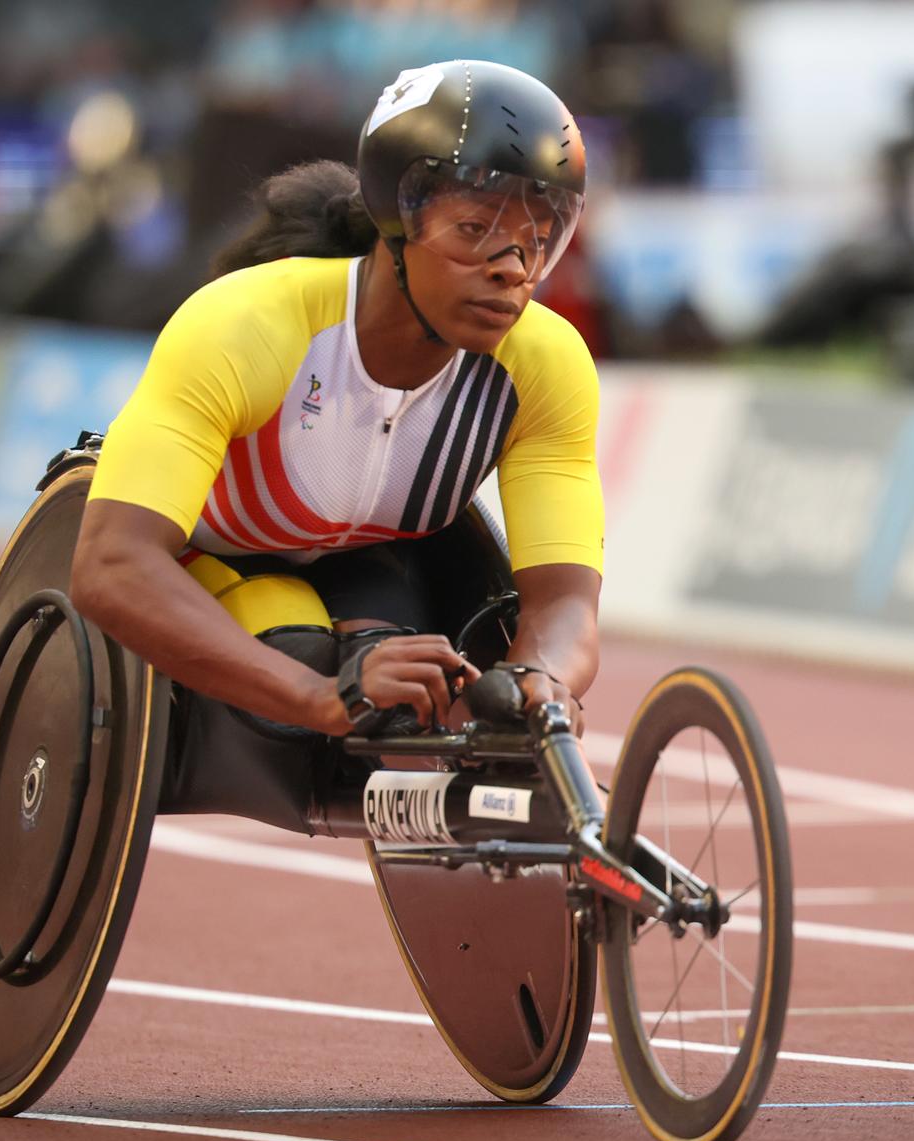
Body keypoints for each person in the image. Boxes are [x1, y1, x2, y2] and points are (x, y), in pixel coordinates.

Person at [70, 59, 603, 760]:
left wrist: (543, 681)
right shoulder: (250, 325)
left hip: (372, 562)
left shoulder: (544, 361)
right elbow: (110, 563)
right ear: (396, 218)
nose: (514, 269)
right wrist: (319, 698)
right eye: (476, 229)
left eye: (539, 241)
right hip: (213, 552)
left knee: (428, 679)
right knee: (304, 654)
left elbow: (564, 603)